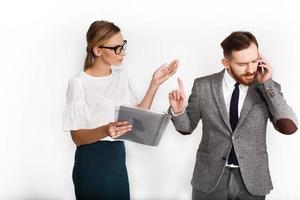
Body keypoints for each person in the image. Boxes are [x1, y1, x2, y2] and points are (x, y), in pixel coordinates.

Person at [169, 31, 298, 200]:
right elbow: (186, 128)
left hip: (252, 181)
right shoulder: (203, 85)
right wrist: (178, 111)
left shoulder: (267, 88)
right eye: (243, 64)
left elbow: (290, 128)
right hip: (209, 178)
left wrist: (267, 84)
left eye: (254, 61)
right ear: (226, 63)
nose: (251, 69)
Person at [63, 20, 178, 199]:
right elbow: (77, 137)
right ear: (97, 50)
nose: (122, 52)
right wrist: (105, 130)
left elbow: (136, 115)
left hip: (117, 158)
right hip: (92, 161)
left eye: (123, 45)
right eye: (117, 48)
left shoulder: (121, 77)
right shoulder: (79, 83)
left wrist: (154, 84)